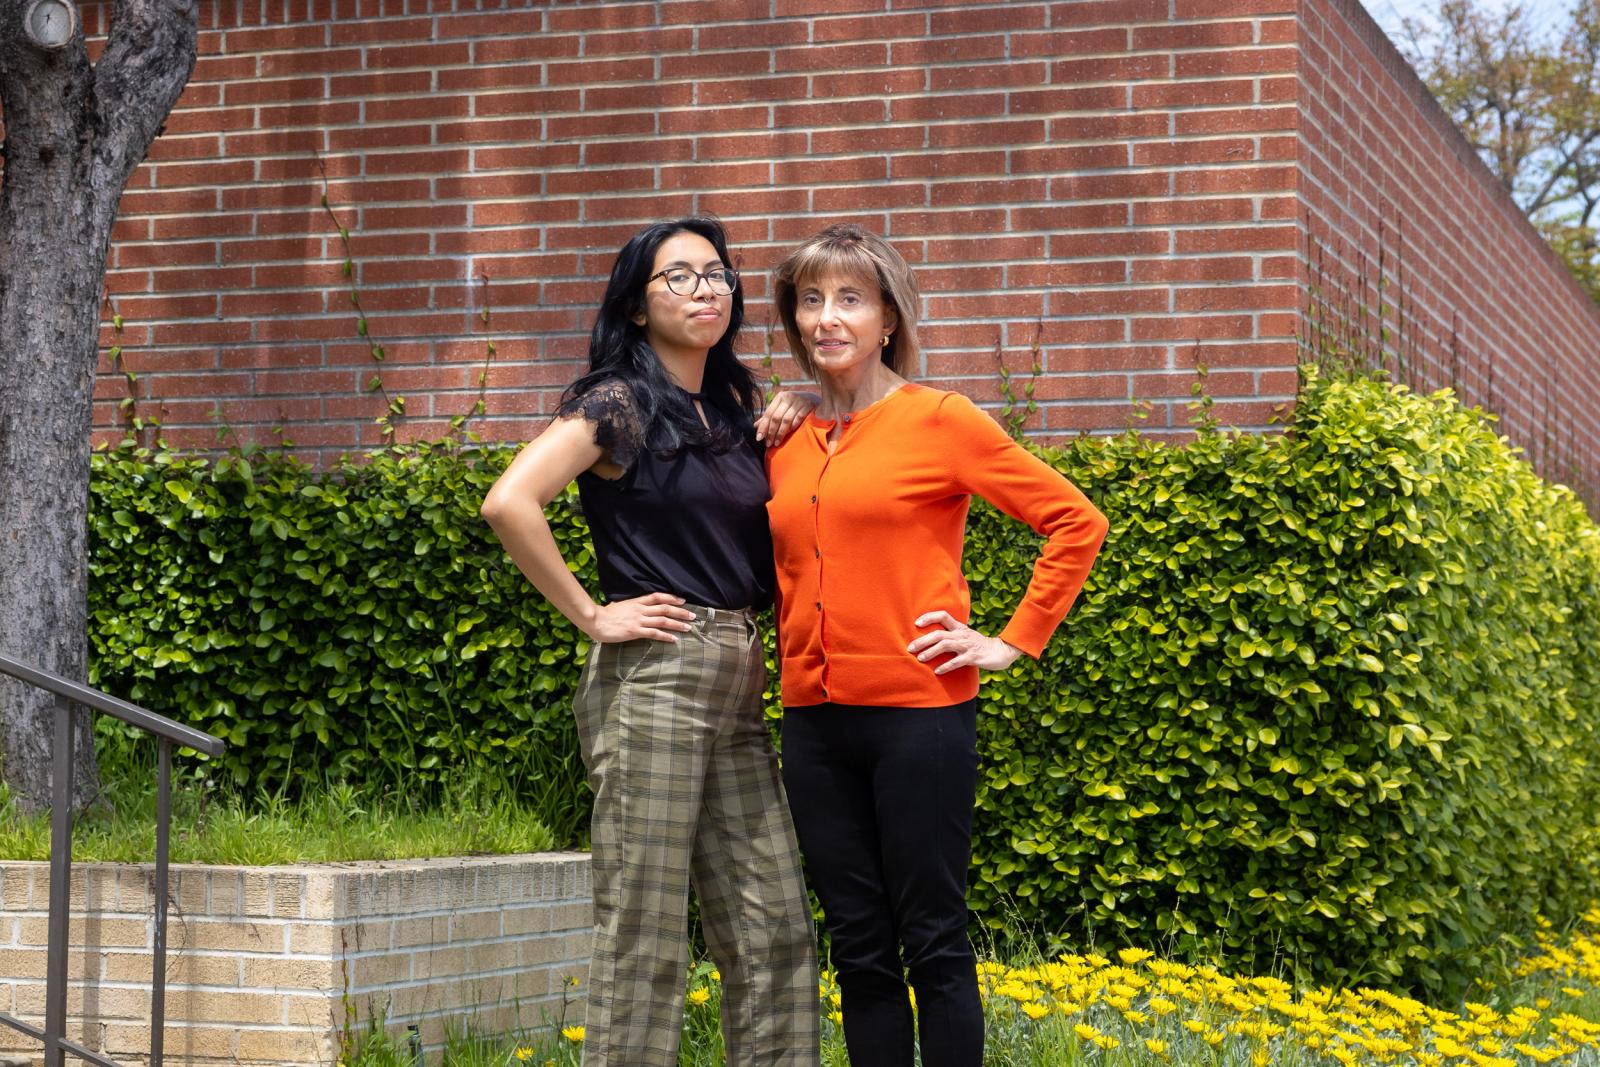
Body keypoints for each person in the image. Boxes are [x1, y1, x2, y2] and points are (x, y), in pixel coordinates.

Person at [765, 223, 1109, 1066]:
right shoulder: (782, 437)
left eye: (850, 298)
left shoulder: (940, 420)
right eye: (811, 299)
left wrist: (1010, 641)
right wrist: (798, 402)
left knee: (933, 942)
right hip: (813, 726)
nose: (827, 317)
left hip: (920, 720)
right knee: (858, 948)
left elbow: (1075, 520)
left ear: (888, 319)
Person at [480, 217, 819, 1067]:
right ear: (636, 305)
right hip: (656, 676)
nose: (705, 290)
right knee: (646, 931)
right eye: (680, 277)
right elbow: (510, 501)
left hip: (738, 678)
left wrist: (809, 398)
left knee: (774, 925)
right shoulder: (617, 404)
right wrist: (595, 615)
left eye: (717, 275)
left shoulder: (736, 407)